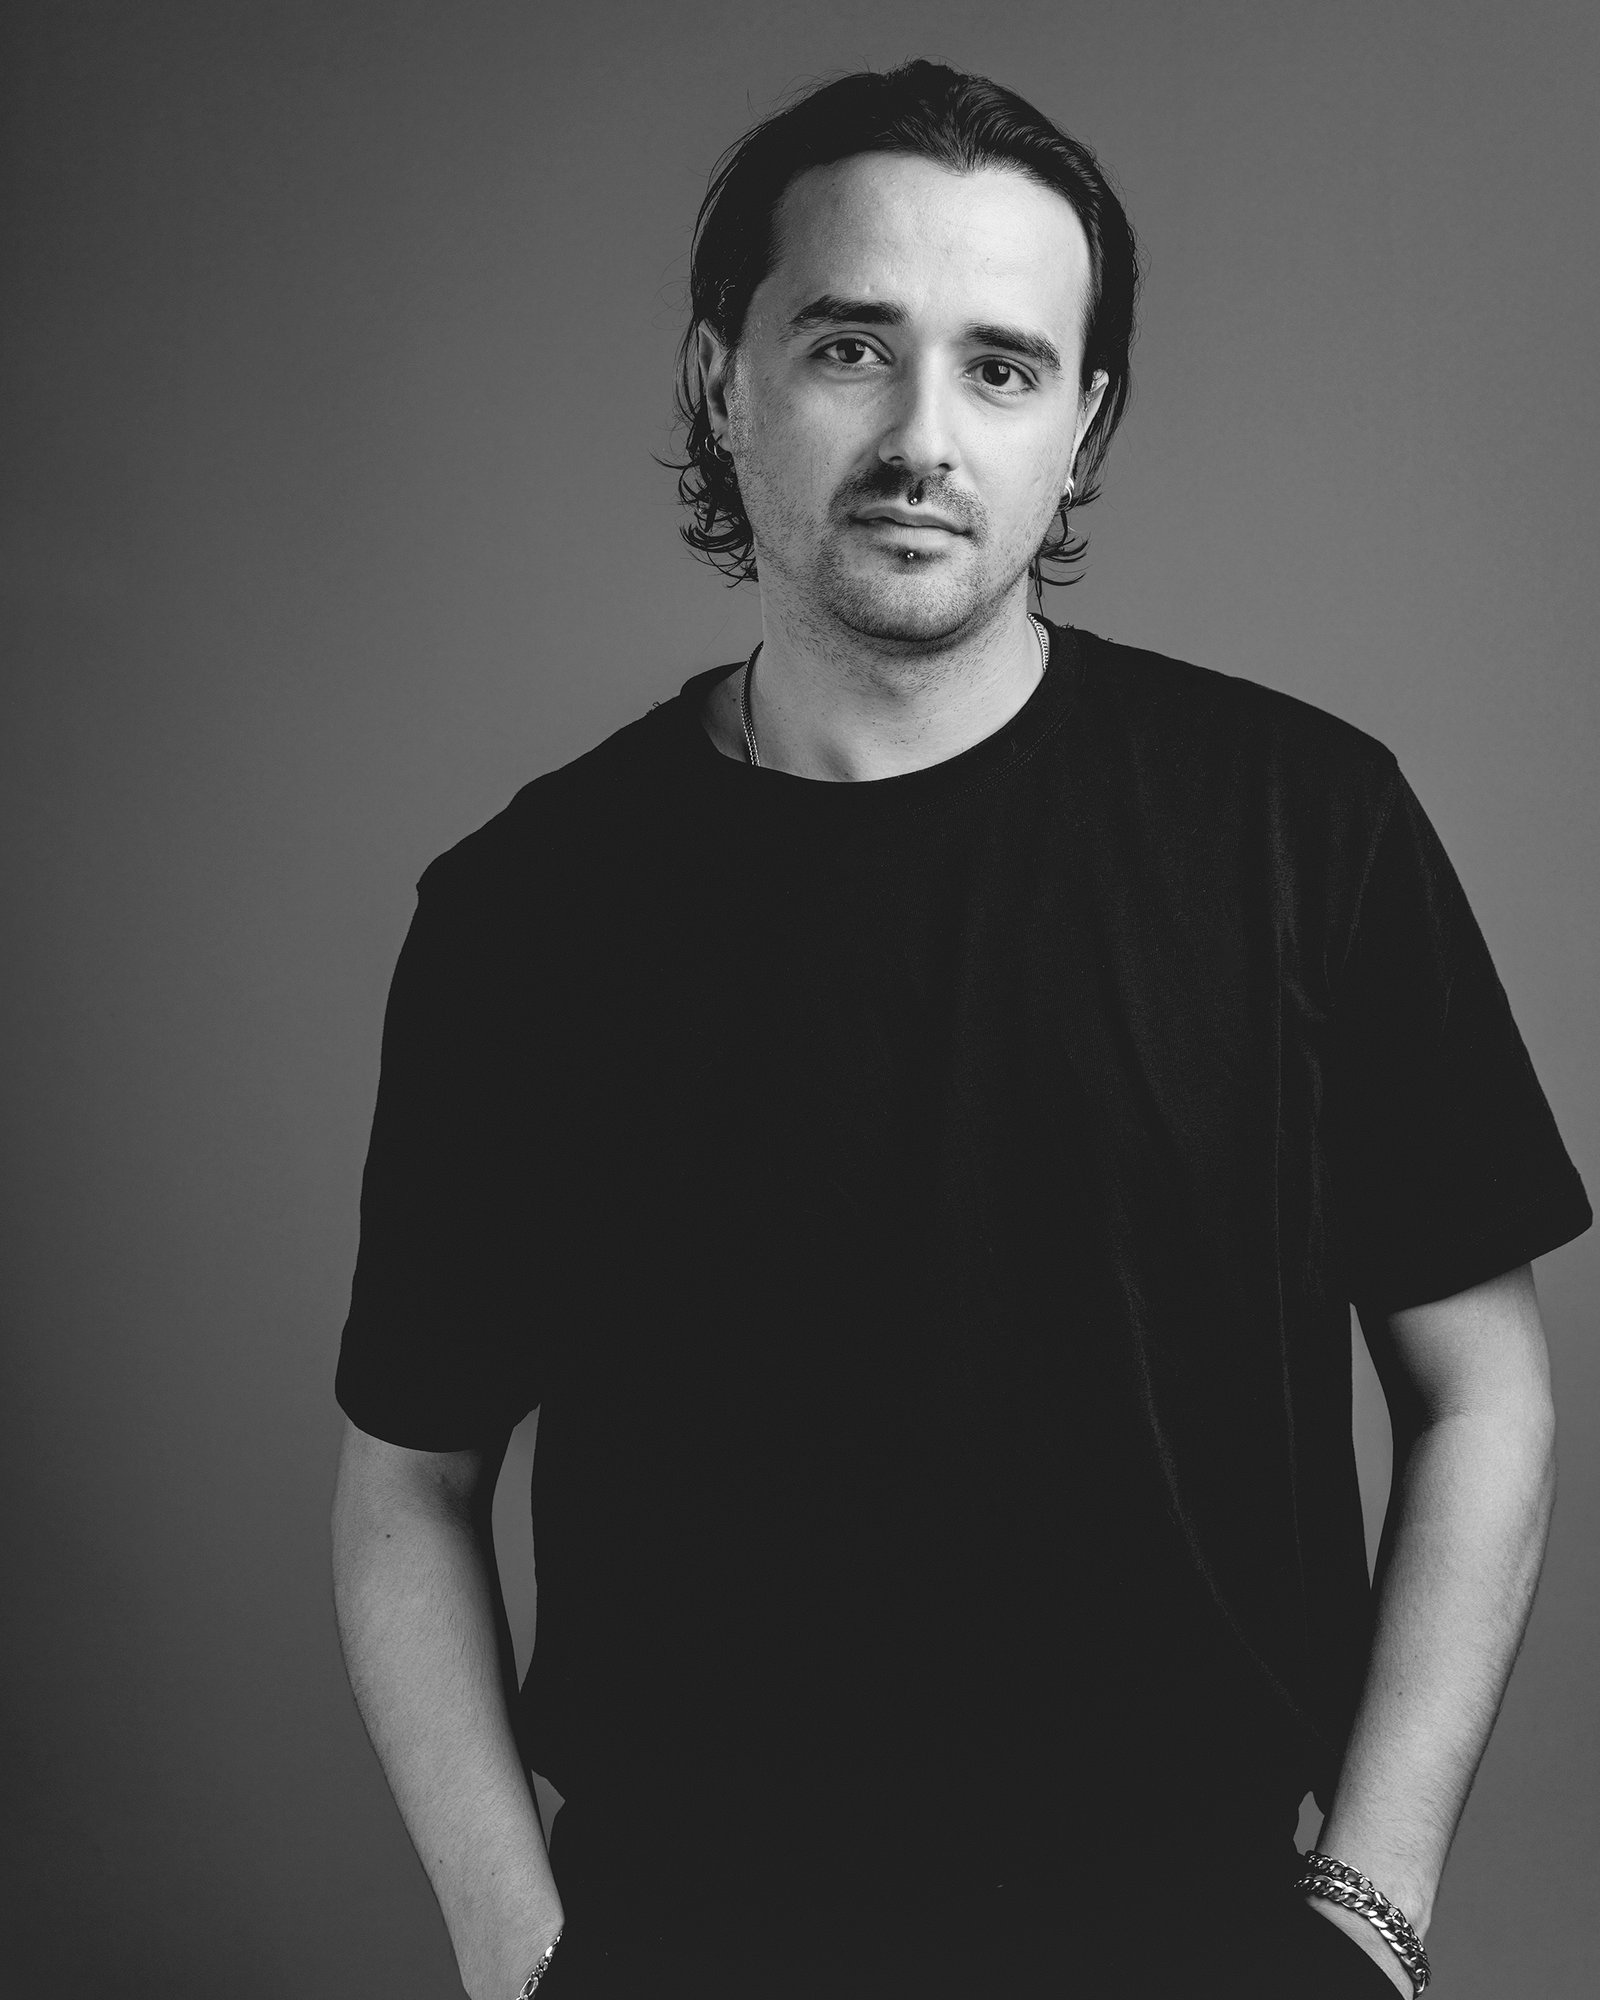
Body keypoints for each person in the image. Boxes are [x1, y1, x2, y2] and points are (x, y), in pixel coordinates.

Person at [330, 61, 1590, 1999]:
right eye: (851, 346)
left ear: (1080, 427)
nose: (924, 436)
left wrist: (1374, 1910)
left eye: (1002, 369)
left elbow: (1485, 1391)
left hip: (1200, 1944)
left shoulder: (1300, 828)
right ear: (719, 381)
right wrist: (526, 1960)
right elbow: (405, 1486)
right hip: (692, 1941)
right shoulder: (528, 913)